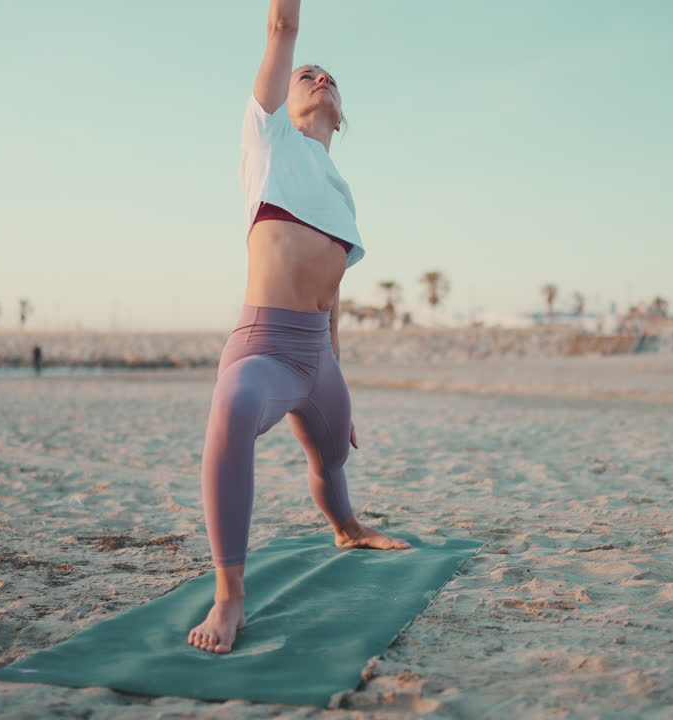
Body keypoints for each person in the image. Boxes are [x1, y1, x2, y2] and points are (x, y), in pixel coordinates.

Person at [187, 0, 409, 655]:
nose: (318, 78)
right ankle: (229, 598)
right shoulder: (268, 141)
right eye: (305, 74)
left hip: (318, 356)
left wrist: (337, 371)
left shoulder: (341, 190)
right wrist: (288, 30)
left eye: (329, 78)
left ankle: (346, 527)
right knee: (230, 412)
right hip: (266, 348)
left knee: (332, 457)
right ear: (282, 100)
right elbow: (282, 26)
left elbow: (333, 291)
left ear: (344, 114)